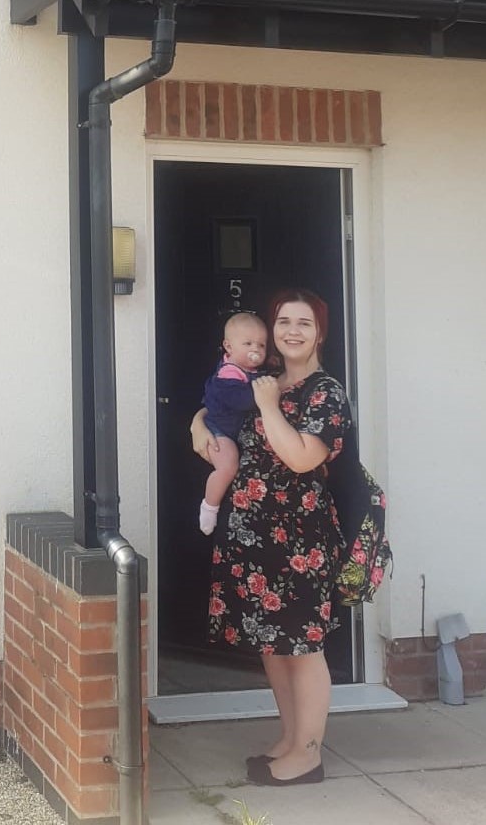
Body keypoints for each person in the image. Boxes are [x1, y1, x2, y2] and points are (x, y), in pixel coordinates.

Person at [191, 288, 350, 787]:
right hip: (253, 533)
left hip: (300, 539)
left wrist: (269, 406)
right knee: (272, 645)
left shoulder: (325, 392)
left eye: (303, 322)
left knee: (303, 647)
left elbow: (302, 456)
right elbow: (217, 407)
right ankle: (288, 737)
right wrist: (197, 424)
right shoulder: (265, 379)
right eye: (284, 321)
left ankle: (308, 755)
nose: (292, 331)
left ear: (319, 331)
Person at [197, 312, 268, 535]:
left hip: (227, 429)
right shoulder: (229, 374)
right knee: (227, 466)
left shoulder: (248, 371)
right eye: (247, 343)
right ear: (228, 346)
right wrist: (266, 390)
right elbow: (241, 400)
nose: (255, 350)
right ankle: (209, 506)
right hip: (219, 431)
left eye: (262, 345)